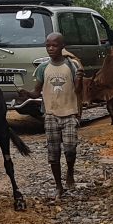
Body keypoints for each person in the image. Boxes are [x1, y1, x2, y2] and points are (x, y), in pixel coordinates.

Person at [18, 32, 83, 198]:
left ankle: (69, 172)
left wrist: (80, 80)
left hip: (69, 113)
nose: (51, 49)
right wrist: (26, 93)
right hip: (50, 114)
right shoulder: (43, 68)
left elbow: (78, 91)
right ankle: (58, 186)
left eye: (54, 45)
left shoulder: (72, 65)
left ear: (62, 47)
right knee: (53, 153)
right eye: (48, 46)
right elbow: (36, 92)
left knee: (70, 148)